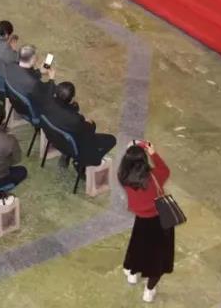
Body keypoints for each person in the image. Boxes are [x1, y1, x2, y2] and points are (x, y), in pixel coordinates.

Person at [119, 141, 174, 303]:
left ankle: (132, 274)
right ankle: (149, 291)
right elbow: (165, 170)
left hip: (141, 219)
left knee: (138, 246)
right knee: (158, 257)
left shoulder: (123, 177)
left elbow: (128, 163)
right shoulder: (155, 176)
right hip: (160, 220)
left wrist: (131, 150)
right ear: (144, 160)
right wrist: (153, 153)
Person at [41, 81, 116, 167]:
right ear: (71, 98)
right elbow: (89, 130)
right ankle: (88, 161)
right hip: (74, 147)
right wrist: (90, 123)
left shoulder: (47, 103)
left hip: (54, 139)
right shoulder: (75, 119)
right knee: (112, 139)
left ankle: (66, 154)